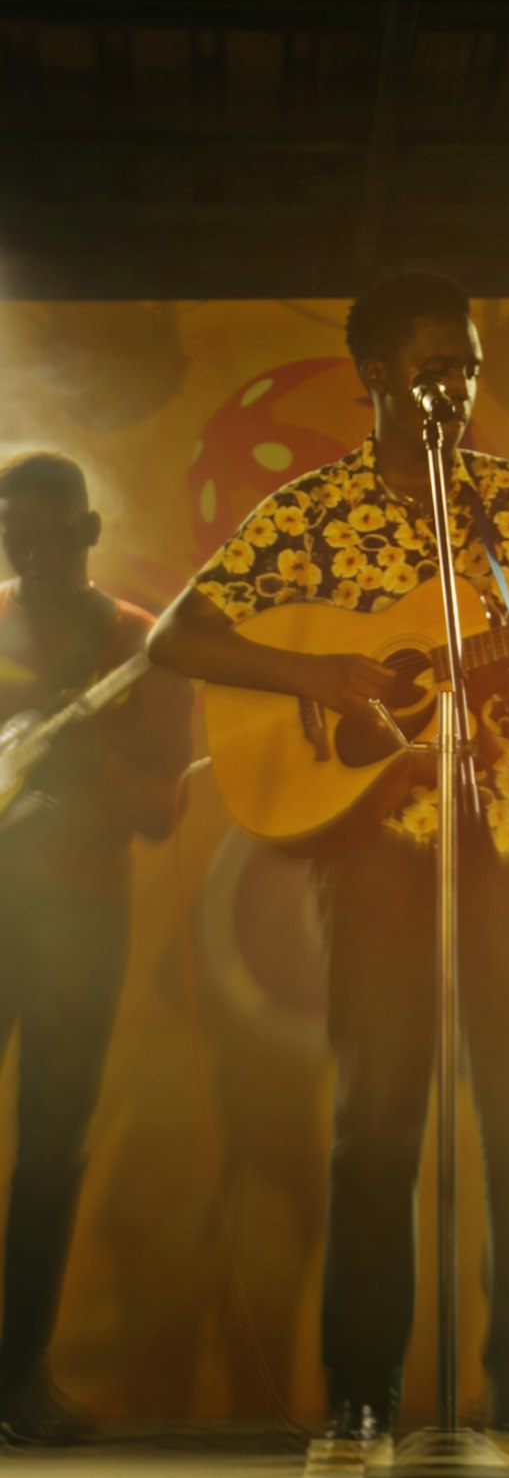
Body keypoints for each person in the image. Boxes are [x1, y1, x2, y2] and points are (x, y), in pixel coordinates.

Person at [147, 270, 509, 1461]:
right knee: (378, 1117)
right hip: (380, 840)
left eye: (469, 364)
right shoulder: (310, 512)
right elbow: (182, 633)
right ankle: (363, 1395)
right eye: (434, 364)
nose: (457, 385)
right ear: (376, 374)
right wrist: (320, 676)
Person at [0, 450, 192, 1445]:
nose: (28, 550)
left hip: (80, 926)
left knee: (49, 1157)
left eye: (47, 531)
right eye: (11, 533)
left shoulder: (139, 644)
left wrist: (88, 769)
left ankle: (15, 1379)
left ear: (88, 532)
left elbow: (165, 811)